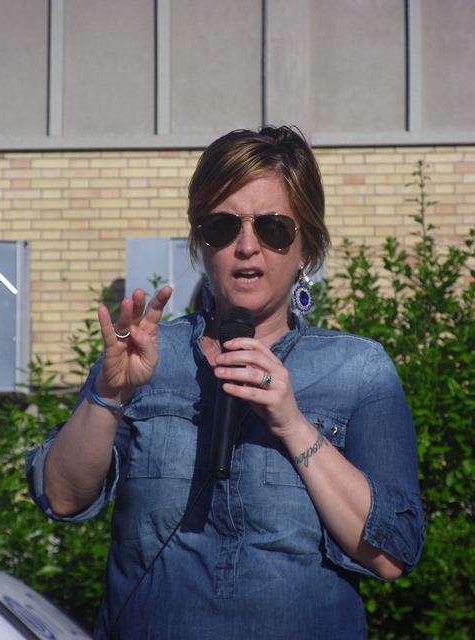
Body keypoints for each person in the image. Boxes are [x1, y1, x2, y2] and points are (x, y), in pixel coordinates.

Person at [26, 125, 424, 639]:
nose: (247, 246)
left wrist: (293, 425)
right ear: (199, 242)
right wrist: (109, 395)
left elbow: (392, 553)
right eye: (222, 226)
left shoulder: (358, 369)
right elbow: (61, 497)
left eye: (273, 228)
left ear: (306, 247)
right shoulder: (145, 355)